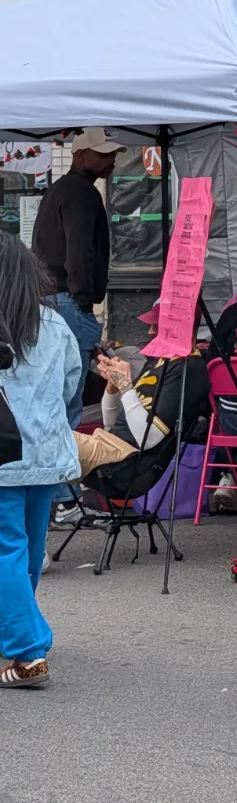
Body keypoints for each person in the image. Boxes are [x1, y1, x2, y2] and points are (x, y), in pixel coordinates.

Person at [0, 236, 81, 688]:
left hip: (4, 459)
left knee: (4, 551)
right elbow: (71, 387)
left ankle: (27, 650)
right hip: (46, 455)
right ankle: (15, 635)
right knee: (27, 551)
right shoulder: (54, 324)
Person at [30, 128, 121, 433]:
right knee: (69, 399)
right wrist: (83, 303)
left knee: (51, 393)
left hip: (48, 299)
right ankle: (64, 473)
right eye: (103, 154)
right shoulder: (81, 192)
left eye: (113, 154)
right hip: (68, 300)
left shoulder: (60, 189)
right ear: (80, 154)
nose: (111, 160)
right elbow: (79, 251)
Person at [73, 301, 210, 476]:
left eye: (157, 325)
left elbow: (148, 439)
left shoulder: (188, 369)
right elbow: (111, 423)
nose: (150, 331)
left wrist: (125, 386)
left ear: (180, 327)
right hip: (109, 444)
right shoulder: (158, 361)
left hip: (126, 459)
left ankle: (64, 503)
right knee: (37, 443)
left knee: (41, 444)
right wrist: (113, 388)